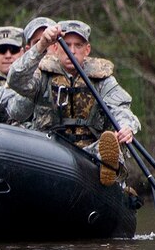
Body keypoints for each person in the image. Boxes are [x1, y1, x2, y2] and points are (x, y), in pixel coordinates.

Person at [8, 18, 139, 185]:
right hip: (50, 149)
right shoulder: (42, 76)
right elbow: (15, 80)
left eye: (78, 45)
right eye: (67, 45)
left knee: (109, 143)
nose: (72, 51)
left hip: (89, 152)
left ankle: (107, 169)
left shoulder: (102, 80)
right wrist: (41, 45)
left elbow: (121, 109)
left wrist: (126, 127)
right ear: (55, 47)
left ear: (87, 49)